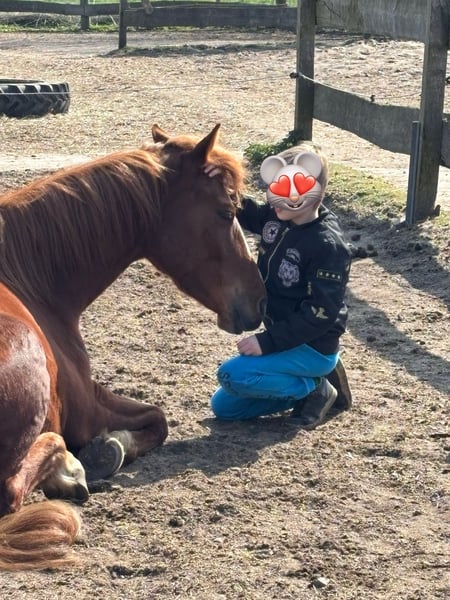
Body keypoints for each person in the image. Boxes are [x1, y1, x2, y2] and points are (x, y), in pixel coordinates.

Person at [205, 142, 352, 429]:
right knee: (224, 407)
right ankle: (306, 383)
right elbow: (244, 210)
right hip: (286, 340)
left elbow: (321, 313)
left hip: (312, 345)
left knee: (232, 375)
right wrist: (219, 180)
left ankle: (315, 389)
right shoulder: (278, 215)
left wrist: (266, 342)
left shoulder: (327, 246)